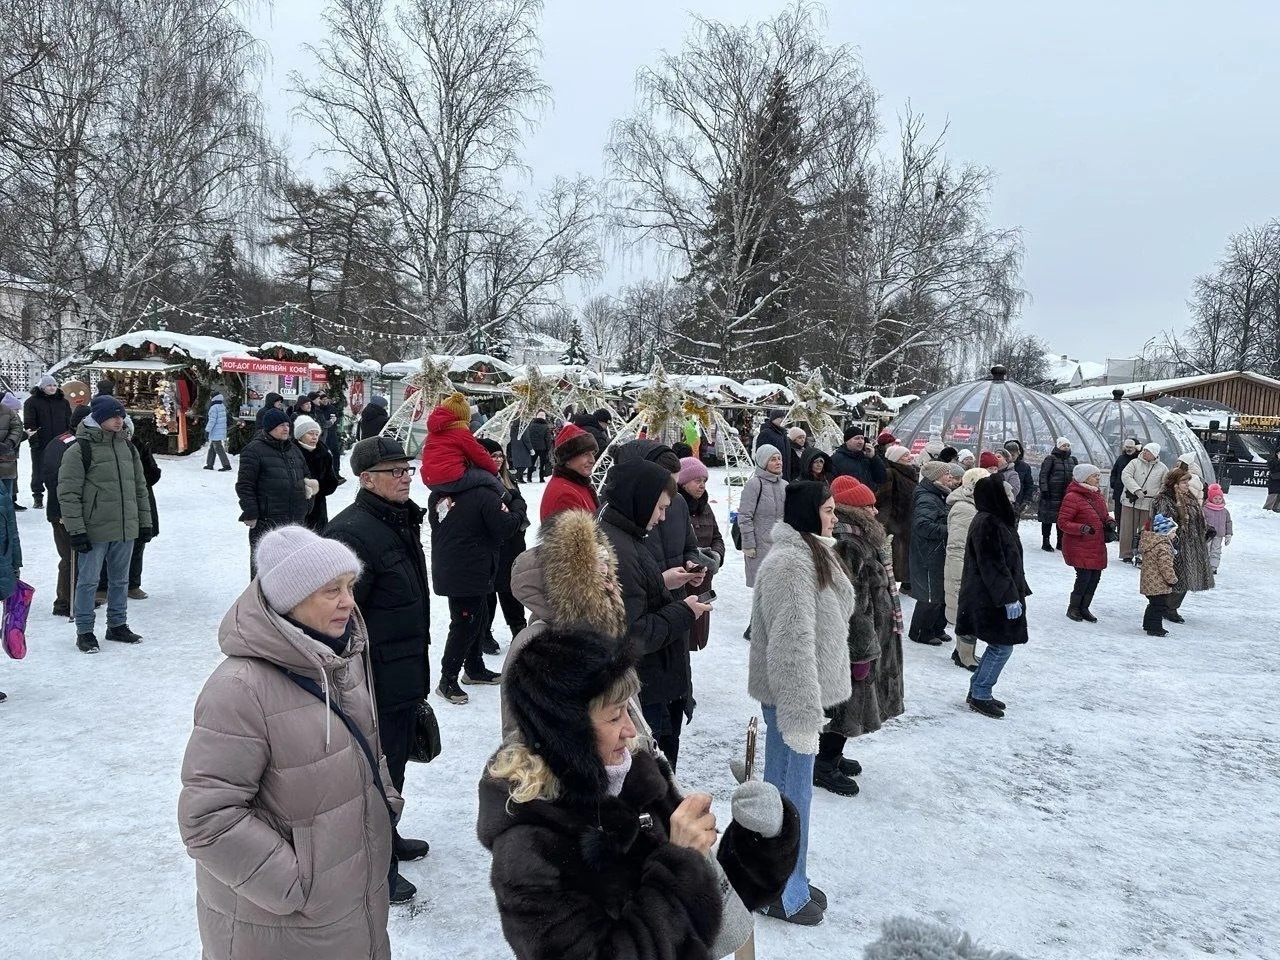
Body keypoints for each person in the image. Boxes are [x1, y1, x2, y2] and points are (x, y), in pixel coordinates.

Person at [480, 629, 800, 960]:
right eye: (615, 715)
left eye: (628, 711)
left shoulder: (639, 778)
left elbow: (714, 895)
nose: (631, 730)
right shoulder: (529, 848)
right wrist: (679, 864)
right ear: (569, 732)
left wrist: (761, 837)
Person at [178, 525, 400, 959]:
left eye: (350, 586)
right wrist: (298, 884)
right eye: (331, 590)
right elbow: (207, 820)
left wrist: (384, 800)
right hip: (281, 927)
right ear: (290, 601)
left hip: (352, 903)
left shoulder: (338, 661)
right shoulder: (239, 689)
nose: (349, 602)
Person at [325, 436, 432, 905]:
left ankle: (388, 838)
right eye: (395, 471)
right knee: (374, 774)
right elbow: (338, 620)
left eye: (407, 468)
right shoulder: (351, 534)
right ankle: (375, 865)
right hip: (374, 680)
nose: (407, 476)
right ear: (366, 479)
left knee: (395, 765)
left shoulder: (398, 521)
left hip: (403, 670)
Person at [749, 480, 855, 924]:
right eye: (828, 510)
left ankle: (781, 879)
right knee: (792, 801)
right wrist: (800, 717)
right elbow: (791, 645)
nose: (834, 517)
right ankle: (784, 893)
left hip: (797, 698)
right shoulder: (792, 563)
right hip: (793, 700)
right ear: (810, 513)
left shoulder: (812, 551)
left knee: (781, 797)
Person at [598, 458, 709, 768]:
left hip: (654, 680)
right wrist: (685, 612)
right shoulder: (620, 547)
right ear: (641, 500)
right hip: (646, 684)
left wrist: (663, 580)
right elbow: (634, 633)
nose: (662, 517)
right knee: (653, 769)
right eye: (660, 508)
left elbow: (632, 599)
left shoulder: (625, 537)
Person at [500, 509, 628, 741]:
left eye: (610, 576)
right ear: (569, 586)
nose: (611, 587)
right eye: (598, 578)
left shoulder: (597, 637)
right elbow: (521, 739)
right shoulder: (536, 646)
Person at [819, 476, 904, 797]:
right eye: (867, 505)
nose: (874, 509)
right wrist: (861, 653)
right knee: (845, 704)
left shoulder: (862, 537)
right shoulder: (849, 542)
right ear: (852, 509)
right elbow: (853, 604)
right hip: (856, 645)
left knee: (851, 702)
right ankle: (824, 764)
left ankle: (833, 755)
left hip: (869, 640)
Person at [428, 445, 527, 704]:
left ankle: (473, 668)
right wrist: (517, 506)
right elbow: (505, 528)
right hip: (468, 570)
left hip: (457, 567)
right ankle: (447, 680)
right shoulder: (485, 494)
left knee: (477, 616)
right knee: (464, 623)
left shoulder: (442, 492)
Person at [57, 395, 152, 653]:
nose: (119, 420)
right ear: (99, 419)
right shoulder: (80, 450)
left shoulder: (127, 448)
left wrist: (144, 523)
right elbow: (68, 493)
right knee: (88, 581)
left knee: (120, 580)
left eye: (121, 416)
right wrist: (76, 530)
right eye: (114, 416)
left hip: (124, 528)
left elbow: (139, 488)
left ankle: (117, 624)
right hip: (94, 528)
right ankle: (85, 630)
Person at [956, 476, 1031, 719]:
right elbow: (992, 564)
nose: (1011, 498)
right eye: (1007, 493)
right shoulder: (988, 521)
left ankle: (979, 689)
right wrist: (1008, 597)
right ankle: (980, 693)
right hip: (989, 597)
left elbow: (1010, 561)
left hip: (995, 593)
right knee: (1001, 647)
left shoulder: (997, 519)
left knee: (999, 646)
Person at [237, 407, 311, 576]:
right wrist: (251, 512)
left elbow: (306, 477)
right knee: (265, 572)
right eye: (281, 425)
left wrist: (307, 504)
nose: (286, 428)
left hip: (295, 521)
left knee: (292, 571)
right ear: (270, 427)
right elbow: (245, 485)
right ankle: (258, 603)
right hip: (268, 521)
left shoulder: (293, 449)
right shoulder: (253, 450)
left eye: (287, 425)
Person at [40, 405, 91, 617]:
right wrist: (63, 511)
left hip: (68, 509)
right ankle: (65, 601)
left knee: (75, 556)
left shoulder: (67, 441)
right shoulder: (66, 445)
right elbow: (53, 479)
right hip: (62, 510)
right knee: (70, 557)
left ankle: (73, 598)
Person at [479, 437, 528, 655]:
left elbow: (519, 506)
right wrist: (515, 505)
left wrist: (516, 506)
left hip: (512, 543)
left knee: (511, 589)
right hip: (491, 543)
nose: (498, 460)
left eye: (500, 455)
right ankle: (484, 633)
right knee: (489, 590)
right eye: (493, 456)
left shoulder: (507, 479)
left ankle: (518, 628)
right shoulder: (481, 481)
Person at [1151, 467, 1214, 622]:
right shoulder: (1165, 499)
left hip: (1192, 544)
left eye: (1187, 481)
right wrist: (1174, 541)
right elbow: (1162, 523)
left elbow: (1196, 517)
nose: (1187, 484)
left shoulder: (1189, 496)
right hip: (1176, 545)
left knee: (1185, 578)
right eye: (1183, 481)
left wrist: (1205, 529)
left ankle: (1171, 607)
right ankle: (1166, 607)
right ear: (1174, 483)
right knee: (1175, 578)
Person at [419, 392, 507, 500]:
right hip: (451, 478)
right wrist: (495, 473)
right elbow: (480, 455)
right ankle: (507, 498)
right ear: (465, 416)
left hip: (430, 481)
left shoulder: (433, 433)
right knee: (486, 477)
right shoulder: (461, 432)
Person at [907, 460, 958, 646]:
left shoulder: (939, 494)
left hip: (935, 551)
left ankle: (936, 627)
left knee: (940, 593)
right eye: (947, 474)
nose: (950, 477)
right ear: (935, 477)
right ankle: (920, 632)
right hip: (927, 552)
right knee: (930, 595)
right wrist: (951, 530)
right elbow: (922, 526)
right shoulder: (927, 497)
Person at [677, 456, 724, 653]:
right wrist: (698, 560)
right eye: (697, 480)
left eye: (704, 481)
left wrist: (716, 557)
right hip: (683, 580)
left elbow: (717, 537)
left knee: (699, 632)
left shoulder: (706, 507)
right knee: (682, 636)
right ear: (684, 482)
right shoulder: (674, 507)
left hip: (705, 580)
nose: (702, 485)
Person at [1057, 464, 1113, 623]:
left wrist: (1109, 522)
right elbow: (1063, 522)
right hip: (1079, 544)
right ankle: (1073, 608)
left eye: (1098, 475)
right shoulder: (1072, 497)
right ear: (1084, 478)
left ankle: (1084, 607)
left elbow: (1104, 515)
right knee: (1084, 577)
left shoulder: (1096, 495)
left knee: (1095, 576)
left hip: (1096, 544)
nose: (1098, 478)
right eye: (1094, 475)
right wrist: (1081, 528)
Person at [944, 468, 988, 670]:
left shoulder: (975, 505)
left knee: (971, 611)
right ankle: (964, 655)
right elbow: (957, 546)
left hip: (974, 568)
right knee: (966, 612)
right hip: (964, 569)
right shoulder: (965, 508)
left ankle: (963, 651)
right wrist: (960, 576)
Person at [739, 444, 787, 590]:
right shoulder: (754, 484)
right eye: (773, 459)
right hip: (759, 548)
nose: (778, 462)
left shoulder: (785, 485)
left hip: (780, 547)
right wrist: (748, 544)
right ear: (763, 462)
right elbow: (744, 516)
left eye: (779, 459)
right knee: (762, 591)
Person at [23, 374, 71, 509]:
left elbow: (69, 421)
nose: (52, 387)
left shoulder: (63, 402)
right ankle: (38, 496)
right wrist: (34, 441)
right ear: (43, 387)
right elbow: (29, 423)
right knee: (39, 470)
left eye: (55, 385)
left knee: (61, 470)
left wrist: (68, 439)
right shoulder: (32, 402)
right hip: (41, 442)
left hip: (60, 442)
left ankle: (58, 495)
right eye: (49, 385)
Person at [876, 444, 919, 592]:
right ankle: (893, 584)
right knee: (896, 553)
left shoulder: (911, 473)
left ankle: (907, 583)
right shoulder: (890, 473)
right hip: (897, 520)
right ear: (896, 458)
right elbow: (884, 499)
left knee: (907, 552)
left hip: (909, 518)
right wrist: (885, 522)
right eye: (905, 455)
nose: (910, 457)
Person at [539, 423, 599, 521]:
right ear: (567, 459)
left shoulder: (575, 485)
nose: (592, 460)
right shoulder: (565, 496)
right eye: (585, 454)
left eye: (592, 453)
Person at [1120, 442, 1168, 562]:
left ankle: (1142, 553)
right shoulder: (1134, 463)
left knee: (1145, 529)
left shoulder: (1162, 468)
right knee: (1128, 527)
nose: (1145, 452)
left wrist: (1158, 494)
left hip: (1149, 503)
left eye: (1148, 451)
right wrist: (1136, 490)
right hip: (1131, 501)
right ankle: (1126, 553)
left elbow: (1165, 483)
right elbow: (1126, 475)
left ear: (1154, 454)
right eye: (1144, 450)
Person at [293, 415, 339, 531]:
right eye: (310, 433)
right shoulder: (291, 452)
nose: (314, 437)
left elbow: (331, 482)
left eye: (316, 434)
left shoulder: (324, 453)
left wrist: (318, 488)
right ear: (300, 435)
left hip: (318, 508)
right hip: (296, 508)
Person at [1139, 513, 1179, 636]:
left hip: (1149, 580)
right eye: (1173, 532)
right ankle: (1155, 628)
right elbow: (1165, 566)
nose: (1175, 535)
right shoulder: (1163, 547)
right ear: (1165, 533)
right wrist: (1172, 579)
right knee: (1159, 605)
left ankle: (1148, 624)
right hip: (1158, 582)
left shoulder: (1151, 542)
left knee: (1153, 604)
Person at [1038, 437, 1078, 551]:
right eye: (1063, 445)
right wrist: (1044, 490)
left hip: (1066, 494)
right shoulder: (1051, 459)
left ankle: (1060, 541)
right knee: (1047, 518)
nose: (1066, 447)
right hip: (1051, 494)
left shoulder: (1072, 460)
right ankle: (1045, 541)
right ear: (1058, 446)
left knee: (1062, 518)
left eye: (1068, 445)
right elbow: (1043, 475)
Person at [0, 392, 24, 509]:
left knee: (6, 498)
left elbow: (17, 428)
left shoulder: (7, 412)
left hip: (7, 460)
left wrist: (9, 443)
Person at [1203, 483, 1233, 574]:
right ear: (1210, 498)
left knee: (1216, 551)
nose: (1218, 500)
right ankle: (1205, 566)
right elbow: (1201, 520)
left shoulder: (1224, 511)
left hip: (1219, 535)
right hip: (1208, 535)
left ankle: (1213, 567)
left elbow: (1228, 522)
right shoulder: (1205, 509)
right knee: (1206, 550)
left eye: (1220, 498)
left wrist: (1228, 534)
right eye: (1215, 498)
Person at [1003, 439, 1035, 520]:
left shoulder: (1024, 467)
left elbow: (1029, 485)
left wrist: (1026, 501)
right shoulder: (1000, 465)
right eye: (1009, 454)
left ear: (1018, 453)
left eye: (1014, 454)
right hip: (1001, 502)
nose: (1011, 456)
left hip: (1017, 503)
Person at [202, 391, 232, 471]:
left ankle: (226, 465)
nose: (210, 398)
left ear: (213, 398)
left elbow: (212, 420)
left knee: (218, 447)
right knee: (212, 447)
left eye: (211, 397)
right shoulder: (222, 405)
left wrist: (207, 430)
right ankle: (209, 464)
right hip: (220, 429)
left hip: (216, 430)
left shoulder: (214, 407)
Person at [755, 409, 790, 476]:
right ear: (773, 418)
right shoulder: (766, 433)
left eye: (784, 418)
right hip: (770, 474)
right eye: (780, 418)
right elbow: (761, 455)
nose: (782, 420)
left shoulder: (783, 433)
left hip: (783, 472)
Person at [521, 410, 553, 482]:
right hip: (543, 448)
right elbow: (548, 439)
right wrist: (548, 449)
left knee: (531, 463)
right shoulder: (546, 426)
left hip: (533, 447)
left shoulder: (531, 425)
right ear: (544, 418)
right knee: (542, 464)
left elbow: (527, 436)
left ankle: (529, 478)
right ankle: (541, 478)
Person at [1110, 438, 1140, 509]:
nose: (1128, 449)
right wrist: (1113, 483)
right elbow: (1114, 472)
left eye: (1130, 447)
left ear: (1135, 448)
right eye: (1127, 447)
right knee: (1118, 512)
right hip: (1119, 489)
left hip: (1132, 492)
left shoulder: (1138, 460)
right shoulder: (1121, 458)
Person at [506, 416, 534, 485]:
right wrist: (531, 449)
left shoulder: (513, 426)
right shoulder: (523, 426)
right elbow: (526, 439)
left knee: (519, 465)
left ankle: (520, 478)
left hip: (515, 447)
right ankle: (514, 478)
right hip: (523, 448)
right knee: (524, 464)